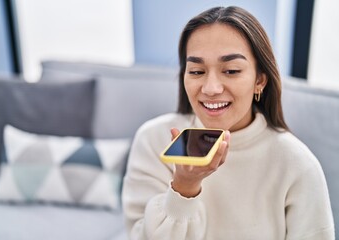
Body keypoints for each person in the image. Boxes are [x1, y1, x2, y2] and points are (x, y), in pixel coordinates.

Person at [122, 6, 334, 240]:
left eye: (231, 71)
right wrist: (183, 188)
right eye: (196, 71)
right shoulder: (153, 140)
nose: (211, 88)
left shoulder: (297, 164)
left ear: (260, 80)